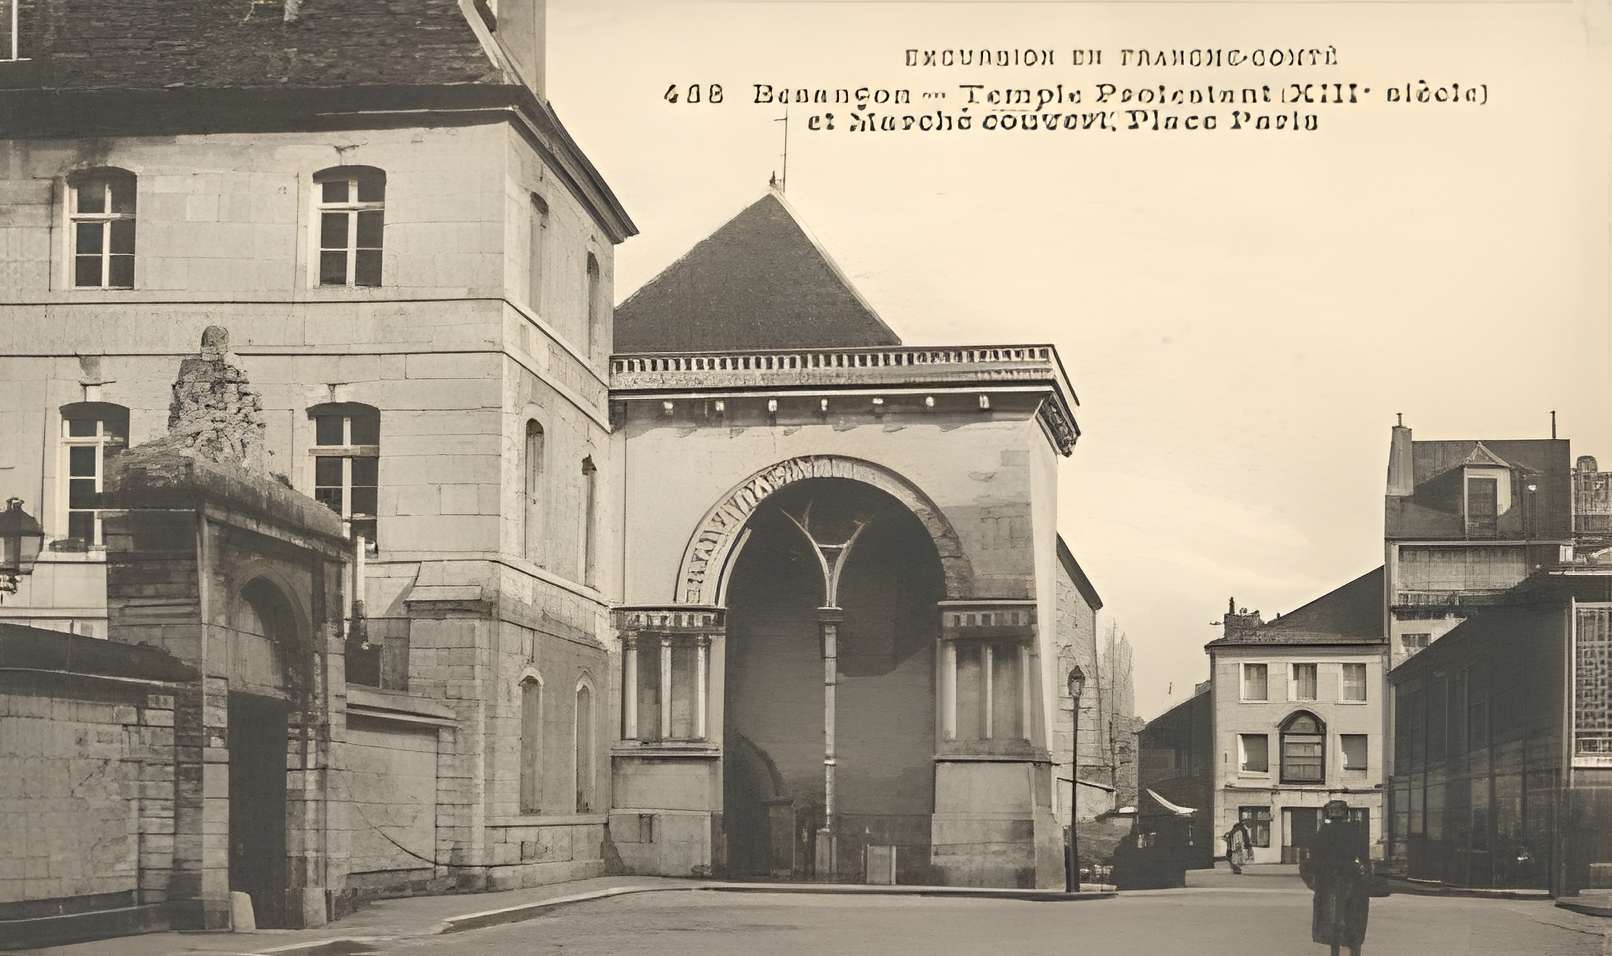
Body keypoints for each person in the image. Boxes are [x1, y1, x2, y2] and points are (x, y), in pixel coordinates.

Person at [1303, 800, 1370, 956]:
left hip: (1329, 883)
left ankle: (1335, 953)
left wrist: (1314, 880)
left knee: (1333, 922)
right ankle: (1354, 953)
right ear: (1346, 813)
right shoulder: (1355, 831)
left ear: (1329, 814)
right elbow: (1364, 858)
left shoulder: (1323, 832)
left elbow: (1313, 860)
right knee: (1353, 921)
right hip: (1352, 883)